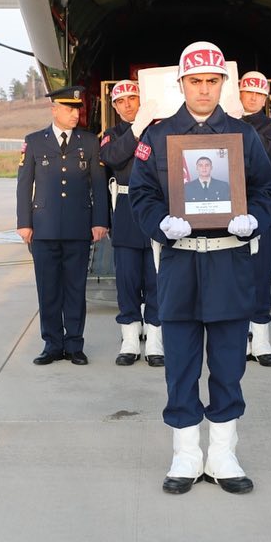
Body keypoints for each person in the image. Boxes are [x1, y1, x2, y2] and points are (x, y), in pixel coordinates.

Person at [129, 41, 271, 495]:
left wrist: (255, 218)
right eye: (196, 81)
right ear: (182, 84)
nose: (204, 90)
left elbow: (267, 187)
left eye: (212, 81)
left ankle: (223, 454)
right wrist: (160, 223)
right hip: (179, 264)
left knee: (229, 363)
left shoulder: (243, 136)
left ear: (222, 84)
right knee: (181, 364)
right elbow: (141, 194)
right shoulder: (156, 137)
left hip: (229, 262)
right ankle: (186, 454)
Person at [16, 85, 109, 366]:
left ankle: (74, 345)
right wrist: (24, 223)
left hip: (78, 228)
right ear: (54, 109)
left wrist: (100, 221)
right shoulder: (34, 142)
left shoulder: (90, 142)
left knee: (75, 289)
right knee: (48, 289)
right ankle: (52, 344)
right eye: (69, 109)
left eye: (77, 110)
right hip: (43, 229)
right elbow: (24, 186)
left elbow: (99, 186)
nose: (74, 115)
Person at [101, 79, 164, 367]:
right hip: (126, 211)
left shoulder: (158, 130)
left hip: (154, 209)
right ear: (114, 106)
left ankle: (154, 339)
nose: (127, 105)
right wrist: (136, 129)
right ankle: (129, 339)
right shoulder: (112, 134)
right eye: (120, 101)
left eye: (132, 99)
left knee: (155, 280)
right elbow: (113, 158)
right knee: (126, 280)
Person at [239, 70, 271, 367]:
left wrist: (234, 124)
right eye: (249, 92)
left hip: (259, 209)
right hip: (229, 207)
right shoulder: (225, 120)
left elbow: (265, 149)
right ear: (240, 93)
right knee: (234, 275)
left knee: (260, 273)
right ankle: (240, 336)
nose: (254, 98)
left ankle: (262, 339)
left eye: (259, 94)